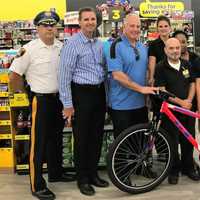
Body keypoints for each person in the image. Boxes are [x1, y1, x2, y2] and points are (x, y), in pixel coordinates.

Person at [9, 11, 74, 200]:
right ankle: (37, 185)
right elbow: (14, 76)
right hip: (40, 100)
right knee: (38, 144)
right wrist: (25, 94)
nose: (49, 28)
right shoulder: (29, 49)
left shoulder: (62, 47)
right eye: (45, 25)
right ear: (37, 28)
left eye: (52, 25)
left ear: (57, 28)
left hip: (58, 100)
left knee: (56, 138)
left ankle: (56, 173)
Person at [58, 7, 109, 196]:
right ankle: (83, 179)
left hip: (98, 94)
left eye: (92, 19)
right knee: (82, 139)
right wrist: (68, 105)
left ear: (97, 22)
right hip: (81, 95)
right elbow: (64, 76)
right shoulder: (72, 44)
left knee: (96, 136)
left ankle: (94, 174)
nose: (90, 22)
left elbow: (103, 70)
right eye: (86, 19)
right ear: (79, 22)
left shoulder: (99, 43)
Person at [154, 38, 199, 185]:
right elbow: (162, 89)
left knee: (188, 140)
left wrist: (189, 101)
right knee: (171, 141)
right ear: (165, 50)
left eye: (177, 48)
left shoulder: (186, 64)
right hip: (171, 111)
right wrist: (181, 102)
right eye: (171, 48)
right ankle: (174, 170)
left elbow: (192, 83)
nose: (175, 51)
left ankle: (188, 168)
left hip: (187, 110)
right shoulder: (161, 67)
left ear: (181, 49)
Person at [106, 13, 157, 139]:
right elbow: (117, 75)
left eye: (138, 26)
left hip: (140, 105)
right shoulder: (115, 46)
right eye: (132, 26)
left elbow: (144, 72)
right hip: (121, 106)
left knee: (140, 144)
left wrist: (148, 93)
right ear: (124, 27)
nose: (135, 29)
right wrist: (141, 89)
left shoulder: (143, 47)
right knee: (123, 147)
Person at [148, 15, 171, 86]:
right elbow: (152, 63)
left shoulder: (175, 41)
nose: (163, 28)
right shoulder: (153, 44)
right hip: (159, 78)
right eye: (160, 26)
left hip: (174, 77)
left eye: (165, 26)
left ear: (170, 28)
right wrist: (151, 78)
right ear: (157, 29)